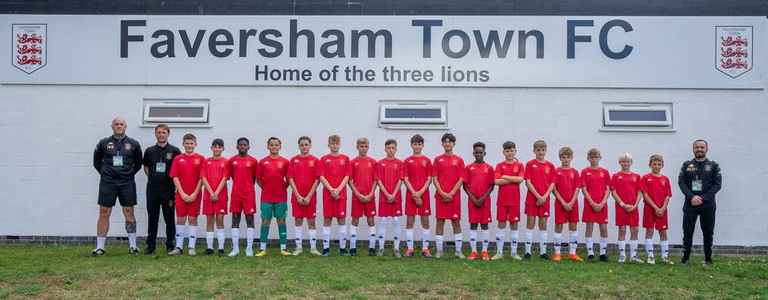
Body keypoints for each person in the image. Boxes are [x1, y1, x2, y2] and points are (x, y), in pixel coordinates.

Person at [92, 117, 143, 256]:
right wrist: (105, 173)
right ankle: (100, 247)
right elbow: (96, 161)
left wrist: (128, 173)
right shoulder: (104, 143)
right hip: (108, 182)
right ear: (112, 126)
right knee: (104, 212)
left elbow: (138, 163)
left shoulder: (133, 144)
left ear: (125, 126)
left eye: (121, 124)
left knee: (129, 212)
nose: (119, 126)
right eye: (116, 124)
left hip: (126, 182)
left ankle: (133, 246)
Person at [679, 139, 721, 266]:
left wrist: (702, 198)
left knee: (708, 232)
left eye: (702, 147)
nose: (699, 149)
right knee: (687, 231)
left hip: (708, 205)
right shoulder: (686, 165)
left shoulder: (714, 166)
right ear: (693, 149)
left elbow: (717, 185)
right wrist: (692, 197)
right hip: (690, 204)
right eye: (697, 147)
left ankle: (708, 259)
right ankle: (685, 259)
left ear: (707, 149)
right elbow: (682, 183)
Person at [142, 123, 180, 255]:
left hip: (168, 189)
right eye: (159, 132)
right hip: (152, 190)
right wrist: (153, 177)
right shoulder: (149, 151)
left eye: (164, 132)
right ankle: (150, 246)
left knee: (169, 218)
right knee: (152, 217)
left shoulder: (175, 151)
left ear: (168, 134)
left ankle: (170, 245)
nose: (161, 135)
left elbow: (178, 169)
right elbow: (146, 167)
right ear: (155, 134)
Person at [168, 133, 204, 256]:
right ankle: (178, 247)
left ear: (195, 144)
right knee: (181, 219)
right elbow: (175, 177)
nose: (189, 145)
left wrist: (194, 193)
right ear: (183, 144)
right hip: (181, 195)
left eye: (191, 143)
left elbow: (202, 178)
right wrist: (182, 193)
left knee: (193, 219)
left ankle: (191, 247)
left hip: (195, 195)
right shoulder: (178, 159)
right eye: (187, 143)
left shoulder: (201, 159)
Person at [255, 137, 292, 257]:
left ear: (280, 146)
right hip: (266, 198)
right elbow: (258, 180)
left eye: (276, 145)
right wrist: (266, 188)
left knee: (281, 221)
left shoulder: (285, 162)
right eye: (272, 145)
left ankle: (283, 248)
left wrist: (282, 188)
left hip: (281, 197)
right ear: (268, 146)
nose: (274, 147)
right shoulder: (262, 162)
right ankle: (262, 249)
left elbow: (288, 180)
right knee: (265, 221)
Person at [432, 133, 466, 259]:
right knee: (440, 222)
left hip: (454, 197)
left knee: (456, 222)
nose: (447, 144)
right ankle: (439, 251)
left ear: (453, 144)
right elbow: (434, 178)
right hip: (440, 196)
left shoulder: (459, 160)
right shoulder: (437, 159)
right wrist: (441, 192)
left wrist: (452, 193)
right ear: (442, 144)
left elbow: (461, 178)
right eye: (445, 142)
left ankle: (458, 251)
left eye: (450, 142)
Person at [318, 135, 352, 256]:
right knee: (327, 220)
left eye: (337, 143)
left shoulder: (345, 159)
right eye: (332, 144)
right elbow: (321, 176)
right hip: (328, 194)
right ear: (328, 145)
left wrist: (338, 189)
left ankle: (342, 249)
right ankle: (326, 248)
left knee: (341, 220)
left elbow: (347, 176)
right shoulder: (323, 159)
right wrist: (332, 189)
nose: (335, 146)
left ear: (340, 144)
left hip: (341, 194)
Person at [288, 136, 322, 256]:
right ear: (299, 146)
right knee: (298, 221)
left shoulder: (315, 160)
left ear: (310, 145)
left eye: (306, 144)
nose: (304, 147)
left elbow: (317, 179)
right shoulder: (293, 160)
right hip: (297, 196)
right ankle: (298, 248)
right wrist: (297, 195)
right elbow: (290, 178)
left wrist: (309, 195)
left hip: (310, 197)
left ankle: (313, 248)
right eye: (302, 145)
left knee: (311, 221)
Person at [492, 141, 525, 261]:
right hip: (502, 200)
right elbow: (496, 182)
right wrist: (513, 179)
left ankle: (514, 253)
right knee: (501, 225)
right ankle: (499, 252)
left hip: (514, 201)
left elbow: (520, 179)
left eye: (512, 150)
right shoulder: (499, 165)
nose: (509, 153)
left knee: (514, 225)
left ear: (515, 151)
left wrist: (504, 176)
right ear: (503, 152)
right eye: (507, 151)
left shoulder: (520, 165)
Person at [523, 140, 555, 260]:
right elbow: (528, 182)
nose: (540, 152)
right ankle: (527, 252)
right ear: (534, 151)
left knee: (543, 225)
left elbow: (552, 183)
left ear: (545, 151)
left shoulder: (550, 166)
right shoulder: (530, 164)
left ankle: (543, 252)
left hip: (545, 199)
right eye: (538, 150)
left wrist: (544, 197)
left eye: (543, 150)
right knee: (530, 224)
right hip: (532, 198)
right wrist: (538, 196)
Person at [463, 142, 495, 261]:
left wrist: (482, 198)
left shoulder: (489, 168)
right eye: (476, 152)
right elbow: (465, 185)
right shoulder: (468, 167)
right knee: (473, 225)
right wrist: (473, 198)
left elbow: (492, 186)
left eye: (481, 152)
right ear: (473, 153)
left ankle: (485, 251)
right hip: (473, 202)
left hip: (485, 202)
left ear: (484, 153)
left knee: (485, 225)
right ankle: (474, 251)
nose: (478, 154)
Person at [403, 134, 434, 258]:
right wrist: (414, 193)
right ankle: (410, 249)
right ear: (411, 145)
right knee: (410, 221)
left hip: (424, 194)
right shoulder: (407, 160)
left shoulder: (427, 161)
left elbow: (429, 178)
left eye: (419, 144)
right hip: (411, 194)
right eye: (415, 144)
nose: (417, 146)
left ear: (423, 145)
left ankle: (425, 249)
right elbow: (405, 178)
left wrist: (420, 192)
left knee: (425, 221)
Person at [228, 137, 259, 257]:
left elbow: (254, 179)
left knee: (249, 220)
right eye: (240, 145)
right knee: (235, 219)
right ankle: (235, 249)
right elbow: (232, 176)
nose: (242, 146)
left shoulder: (253, 161)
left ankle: (249, 248)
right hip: (236, 193)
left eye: (245, 145)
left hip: (249, 194)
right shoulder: (232, 161)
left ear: (248, 146)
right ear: (237, 146)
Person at [610, 152, 643, 263]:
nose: (625, 163)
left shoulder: (637, 176)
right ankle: (622, 255)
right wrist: (623, 204)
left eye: (627, 161)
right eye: (623, 161)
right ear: (620, 163)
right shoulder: (615, 176)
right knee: (622, 230)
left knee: (634, 230)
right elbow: (613, 192)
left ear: (631, 163)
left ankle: (633, 256)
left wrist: (635, 205)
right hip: (621, 208)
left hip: (633, 208)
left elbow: (639, 192)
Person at [552, 147, 583, 262]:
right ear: (560, 158)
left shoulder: (575, 172)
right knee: (559, 226)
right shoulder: (556, 171)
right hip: (560, 203)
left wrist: (571, 201)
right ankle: (557, 253)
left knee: (573, 227)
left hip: (573, 204)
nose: (565, 159)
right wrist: (563, 202)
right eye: (563, 157)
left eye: (568, 157)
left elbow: (577, 188)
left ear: (571, 158)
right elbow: (554, 188)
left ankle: (573, 253)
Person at [375, 139, 405, 257]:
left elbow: (400, 180)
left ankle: (396, 248)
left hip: (396, 197)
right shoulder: (380, 163)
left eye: (393, 148)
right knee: (383, 221)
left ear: (396, 149)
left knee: (396, 221)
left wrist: (393, 194)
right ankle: (381, 248)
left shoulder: (400, 163)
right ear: (385, 149)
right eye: (388, 148)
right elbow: (378, 180)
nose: (391, 150)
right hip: (384, 197)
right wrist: (387, 194)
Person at [641, 154, 673, 265]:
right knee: (649, 231)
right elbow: (645, 194)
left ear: (662, 165)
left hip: (662, 210)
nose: (656, 166)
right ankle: (650, 256)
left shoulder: (665, 179)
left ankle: (665, 257)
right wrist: (655, 207)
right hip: (650, 209)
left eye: (659, 164)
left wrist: (663, 208)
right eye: (654, 164)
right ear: (650, 165)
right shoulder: (645, 178)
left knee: (663, 232)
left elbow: (668, 195)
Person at [581, 148, 611, 262]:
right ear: (588, 158)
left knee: (603, 228)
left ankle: (603, 253)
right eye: (592, 157)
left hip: (602, 204)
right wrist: (592, 202)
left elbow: (608, 189)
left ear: (600, 158)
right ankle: (590, 253)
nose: (594, 159)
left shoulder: (605, 172)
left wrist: (602, 202)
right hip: (590, 204)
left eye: (596, 157)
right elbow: (583, 189)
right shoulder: (584, 171)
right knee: (589, 227)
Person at [349, 137, 378, 256]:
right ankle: (352, 248)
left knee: (371, 220)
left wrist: (371, 193)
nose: (363, 148)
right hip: (357, 197)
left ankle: (371, 248)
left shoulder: (373, 162)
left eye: (365, 146)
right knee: (355, 220)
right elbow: (350, 180)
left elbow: (376, 180)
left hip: (370, 196)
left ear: (368, 147)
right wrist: (357, 194)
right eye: (361, 146)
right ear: (357, 147)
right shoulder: (352, 162)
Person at [200, 138, 229, 256]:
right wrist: (211, 192)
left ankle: (221, 247)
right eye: (215, 146)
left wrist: (216, 192)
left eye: (219, 147)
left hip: (220, 195)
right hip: (208, 195)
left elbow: (225, 178)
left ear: (222, 148)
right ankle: (210, 247)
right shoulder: (206, 162)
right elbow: (203, 177)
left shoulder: (226, 162)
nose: (217, 149)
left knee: (220, 219)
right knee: (209, 219)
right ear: (211, 148)